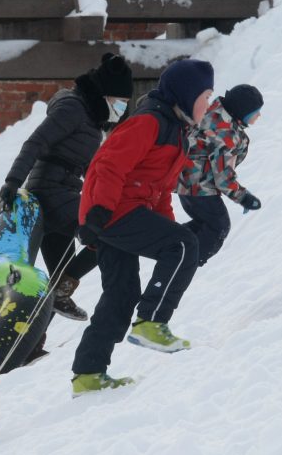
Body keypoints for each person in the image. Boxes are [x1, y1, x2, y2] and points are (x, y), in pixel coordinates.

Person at [70, 58, 214, 396]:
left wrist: (166, 230)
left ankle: (88, 375)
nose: (209, 104)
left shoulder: (177, 132)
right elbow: (107, 165)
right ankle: (152, 322)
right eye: (205, 96)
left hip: (123, 213)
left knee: (121, 295)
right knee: (182, 245)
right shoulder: (150, 122)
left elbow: (159, 191)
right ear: (186, 93)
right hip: (113, 211)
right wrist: (97, 214)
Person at [0, 53, 134, 322]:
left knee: (58, 280)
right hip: (49, 191)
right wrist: (12, 182)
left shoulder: (91, 119)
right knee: (109, 231)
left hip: (65, 191)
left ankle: (29, 345)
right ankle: (59, 290)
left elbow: (86, 166)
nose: (120, 109)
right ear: (105, 94)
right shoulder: (73, 109)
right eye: (119, 102)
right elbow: (35, 143)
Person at [177, 84, 264, 267]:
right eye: (256, 112)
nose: (259, 116)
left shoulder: (214, 116)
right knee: (219, 226)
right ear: (243, 112)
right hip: (199, 186)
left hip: (189, 184)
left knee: (205, 224)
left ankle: (173, 247)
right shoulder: (225, 132)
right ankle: (183, 261)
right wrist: (243, 197)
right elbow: (223, 175)